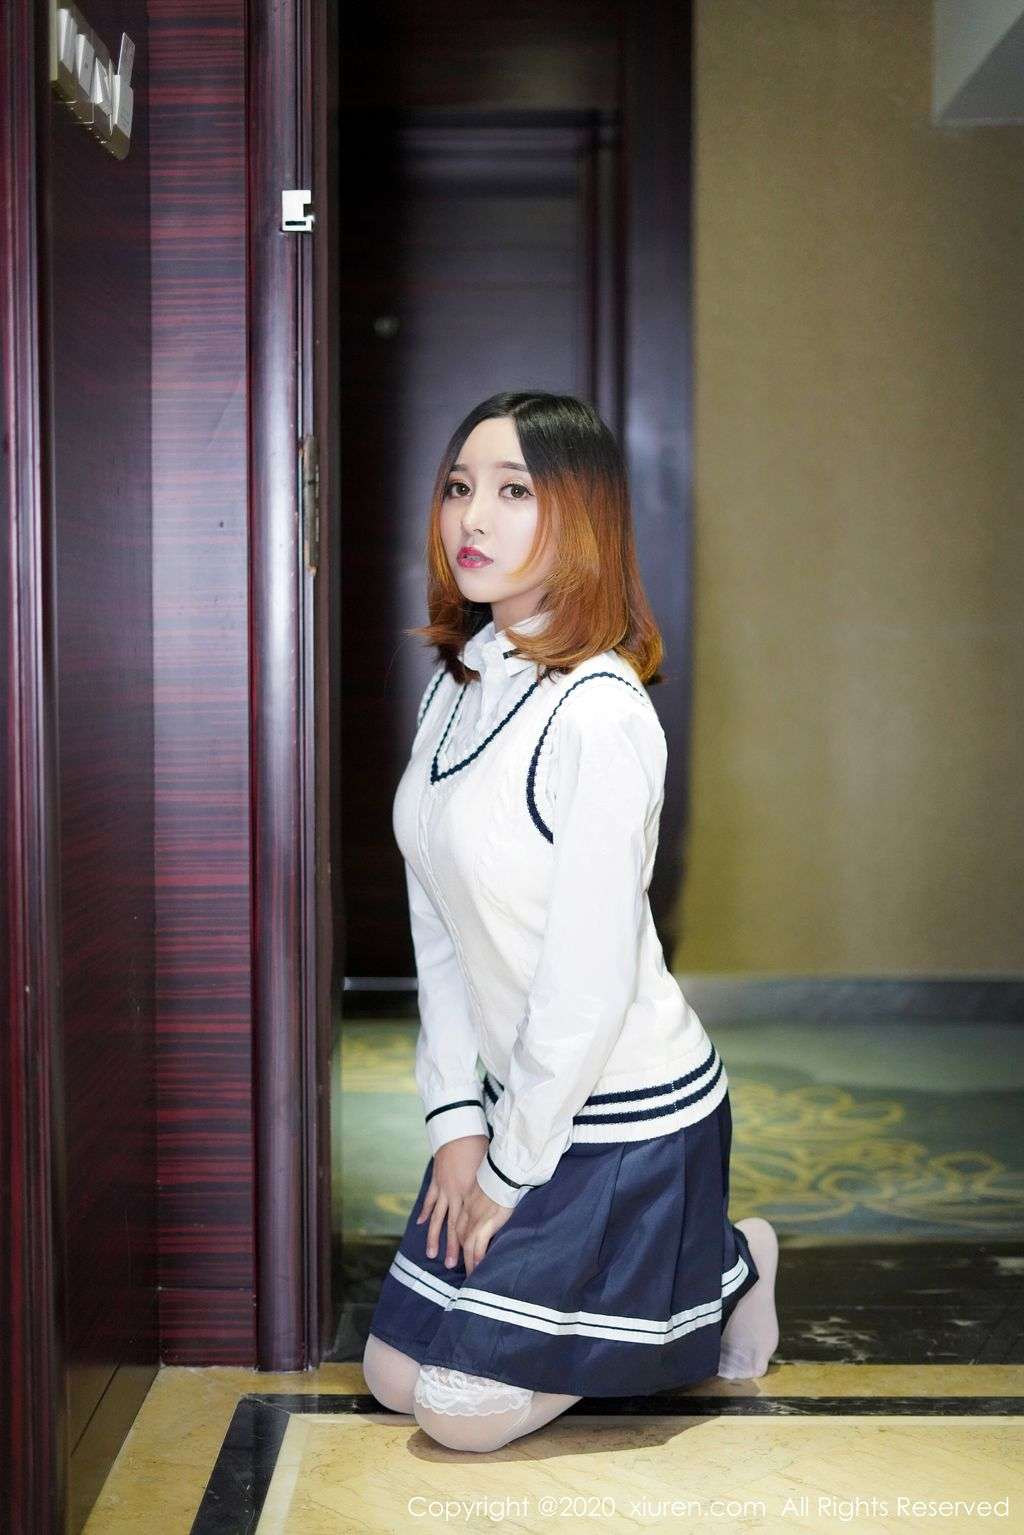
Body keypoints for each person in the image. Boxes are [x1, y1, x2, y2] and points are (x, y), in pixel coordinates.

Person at [363, 391, 779, 1452]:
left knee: (457, 1416)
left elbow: (584, 989)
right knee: (392, 1375)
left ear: (583, 516)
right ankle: (675, 1269)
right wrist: (456, 1124)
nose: (472, 517)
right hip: (519, 1102)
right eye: (460, 487)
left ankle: (725, 1265)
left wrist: (507, 1174)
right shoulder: (457, 685)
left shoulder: (599, 713)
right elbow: (439, 933)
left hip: (625, 1118)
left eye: (514, 491)